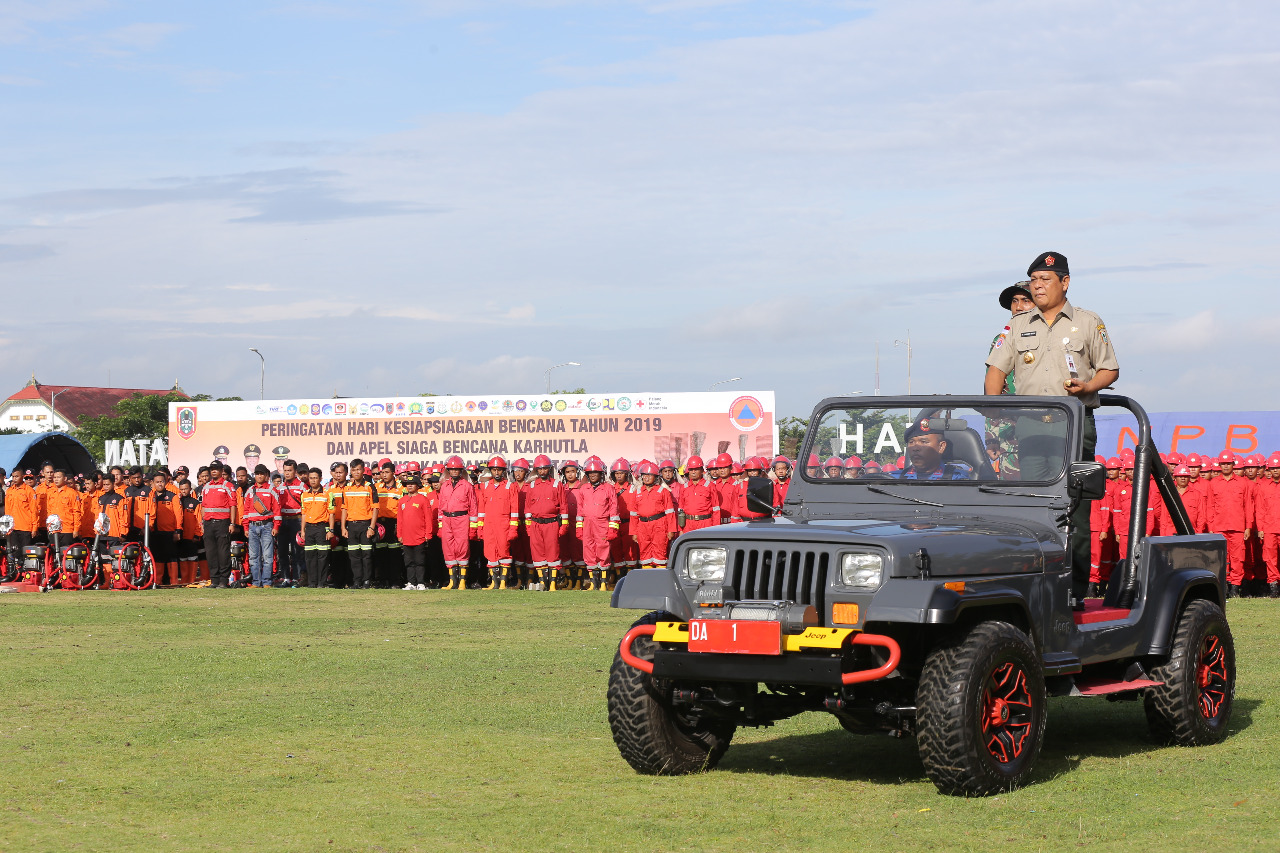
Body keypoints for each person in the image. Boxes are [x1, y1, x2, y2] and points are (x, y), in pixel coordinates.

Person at [984, 251, 1119, 607]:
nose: (1037, 286)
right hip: (1030, 427)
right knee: (1036, 508)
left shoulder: (1089, 322)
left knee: (1075, 509)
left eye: (1045, 280)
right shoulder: (1017, 325)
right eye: (1033, 280)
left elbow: (1109, 369)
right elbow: (997, 368)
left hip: (1074, 424)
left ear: (1065, 282)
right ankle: (1037, 586)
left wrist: (1089, 388)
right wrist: (995, 405)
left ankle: (1074, 588)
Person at [1207, 450, 1252, 597]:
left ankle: (1235, 588)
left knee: (1238, 558)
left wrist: (1248, 527)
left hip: (1238, 527)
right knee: (1221, 558)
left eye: (1228, 463)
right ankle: (1223, 587)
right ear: (1219, 465)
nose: (1226, 466)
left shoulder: (1243, 483)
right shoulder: (1213, 483)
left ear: (1233, 464)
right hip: (1219, 527)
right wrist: (1211, 527)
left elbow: (1248, 506)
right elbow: (1210, 506)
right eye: (1223, 464)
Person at [575, 456, 618, 591]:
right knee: (588, 551)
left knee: (603, 550)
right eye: (590, 473)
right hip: (587, 523)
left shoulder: (608, 488)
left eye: (595, 473)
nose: (593, 475)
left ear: (601, 474)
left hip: (602, 524)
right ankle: (593, 583)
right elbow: (580, 510)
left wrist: (613, 529)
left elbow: (614, 509)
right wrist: (579, 527)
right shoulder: (583, 489)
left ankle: (604, 583)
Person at [524, 454, 566, 591]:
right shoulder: (531, 486)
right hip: (536, 524)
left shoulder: (556, 484)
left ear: (549, 469)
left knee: (553, 553)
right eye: (540, 469)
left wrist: (564, 525)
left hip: (552, 523)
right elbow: (528, 508)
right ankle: (543, 583)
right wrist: (529, 526)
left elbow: (564, 506)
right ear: (536, 470)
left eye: (545, 469)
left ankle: (553, 585)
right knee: (537, 554)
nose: (542, 472)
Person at [477, 456, 519, 590]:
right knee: (490, 553)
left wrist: (513, 528)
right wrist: (480, 527)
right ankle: (494, 583)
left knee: (504, 552)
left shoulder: (510, 486)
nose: (496, 472)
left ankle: (503, 583)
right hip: (489, 525)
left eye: (499, 470)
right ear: (490, 470)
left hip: (503, 525)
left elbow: (515, 510)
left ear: (503, 471)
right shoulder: (484, 486)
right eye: (494, 470)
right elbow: (481, 510)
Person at [437, 456, 478, 590]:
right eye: (452, 469)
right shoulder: (444, 486)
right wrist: (440, 525)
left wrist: (472, 528)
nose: (454, 472)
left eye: (457, 469)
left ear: (461, 471)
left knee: (462, 549)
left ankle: (462, 582)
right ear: (448, 470)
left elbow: (473, 508)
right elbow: (441, 507)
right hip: (447, 520)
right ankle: (452, 581)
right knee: (448, 549)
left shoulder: (467, 486)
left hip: (462, 519)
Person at [988, 281, 1035, 395]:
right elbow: (991, 384)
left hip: (1043, 407)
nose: (1018, 307)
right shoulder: (1001, 339)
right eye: (1015, 301)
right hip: (1008, 409)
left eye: (1026, 301)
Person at [200, 462, 240, 588]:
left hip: (223, 523)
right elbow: (203, 506)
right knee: (210, 553)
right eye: (212, 469)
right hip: (208, 523)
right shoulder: (206, 487)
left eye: (216, 469)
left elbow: (233, 505)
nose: (213, 471)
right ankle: (214, 580)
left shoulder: (228, 485)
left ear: (221, 470)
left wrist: (232, 523)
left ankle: (224, 580)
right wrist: (202, 522)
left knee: (223, 553)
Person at [631, 461, 677, 569]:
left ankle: (660, 581)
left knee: (660, 553)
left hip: (659, 525)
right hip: (642, 526)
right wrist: (634, 532)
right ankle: (648, 581)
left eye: (649, 475)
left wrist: (671, 530)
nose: (646, 478)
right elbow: (633, 515)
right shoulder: (637, 492)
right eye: (644, 475)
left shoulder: (663, 491)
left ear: (655, 477)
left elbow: (670, 512)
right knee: (645, 553)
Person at [241, 464, 281, 588]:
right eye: (257, 474)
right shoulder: (249, 491)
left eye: (261, 474)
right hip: (252, 527)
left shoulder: (271, 490)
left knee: (268, 556)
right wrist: (246, 527)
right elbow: (246, 511)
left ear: (266, 476)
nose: (259, 476)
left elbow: (277, 510)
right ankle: (256, 582)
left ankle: (267, 582)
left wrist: (276, 526)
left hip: (267, 526)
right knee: (253, 557)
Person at [341, 459, 379, 590]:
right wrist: (343, 527)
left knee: (367, 555)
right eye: (353, 470)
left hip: (365, 525)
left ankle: (367, 581)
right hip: (351, 526)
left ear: (363, 470)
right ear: (350, 472)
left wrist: (371, 527)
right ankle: (357, 581)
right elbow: (344, 509)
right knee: (354, 556)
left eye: (358, 469)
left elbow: (375, 508)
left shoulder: (370, 486)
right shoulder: (347, 488)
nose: (356, 472)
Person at [893, 419, 974, 480]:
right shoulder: (893, 480)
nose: (915, 448)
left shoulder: (958, 479)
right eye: (911, 442)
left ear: (941, 447)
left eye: (924, 442)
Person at [397, 475, 437, 590]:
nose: (409, 486)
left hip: (419, 536)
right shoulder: (402, 501)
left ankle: (420, 582)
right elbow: (399, 520)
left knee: (419, 561)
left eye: (412, 484)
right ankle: (411, 583)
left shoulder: (423, 499)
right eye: (407, 484)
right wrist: (399, 534)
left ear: (417, 486)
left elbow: (428, 518)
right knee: (409, 562)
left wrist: (428, 534)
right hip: (406, 537)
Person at [149, 470, 184, 586]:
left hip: (169, 532)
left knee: (172, 557)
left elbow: (179, 515)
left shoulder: (172, 496)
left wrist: (178, 530)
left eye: (162, 482)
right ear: (153, 483)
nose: (160, 484)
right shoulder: (150, 496)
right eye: (157, 482)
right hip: (154, 532)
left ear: (165, 482)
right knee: (157, 557)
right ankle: (158, 582)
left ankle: (173, 581)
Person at [276, 459, 305, 588]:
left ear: (295, 471)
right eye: (285, 471)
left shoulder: (302, 486)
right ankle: (286, 578)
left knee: (297, 551)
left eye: (290, 471)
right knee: (282, 551)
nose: (287, 473)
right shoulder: (280, 487)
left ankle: (297, 579)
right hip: (283, 521)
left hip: (296, 521)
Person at [374, 461, 403, 588]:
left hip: (394, 523)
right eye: (382, 473)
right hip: (380, 523)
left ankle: (395, 581)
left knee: (394, 554)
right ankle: (382, 581)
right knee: (380, 554)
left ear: (393, 473)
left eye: (386, 472)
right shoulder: (376, 487)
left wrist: (399, 526)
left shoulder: (401, 488)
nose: (384, 475)